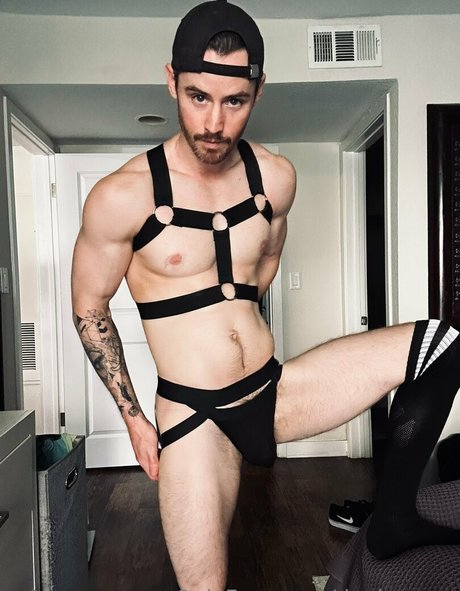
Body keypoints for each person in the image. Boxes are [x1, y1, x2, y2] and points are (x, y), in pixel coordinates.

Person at [71, 1, 460, 588]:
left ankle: (393, 518)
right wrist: (133, 418)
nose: (214, 122)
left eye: (235, 101)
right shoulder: (121, 196)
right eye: (198, 96)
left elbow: (264, 267)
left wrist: (233, 328)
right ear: (172, 81)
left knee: (442, 344)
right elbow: (89, 308)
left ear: (258, 90)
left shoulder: (275, 178)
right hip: (194, 415)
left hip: (274, 391)